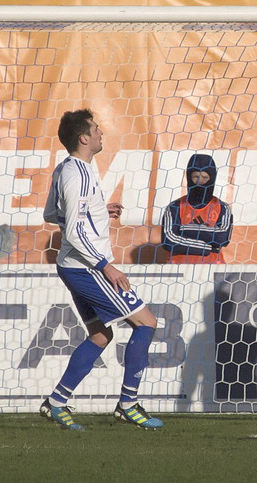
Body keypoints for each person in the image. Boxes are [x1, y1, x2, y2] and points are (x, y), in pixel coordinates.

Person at [40, 108, 162, 430]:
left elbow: (52, 213)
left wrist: (97, 209)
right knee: (146, 322)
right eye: (96, 129)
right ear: (84, 137)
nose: (100, 133)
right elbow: (73, 231)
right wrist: (106, 266)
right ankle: (128, 404)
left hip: (73, 265)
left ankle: (56, 402)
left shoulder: (68, 168)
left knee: (100, 335)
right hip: (87, 267)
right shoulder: (77, 174)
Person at [161, 153, 233, 264]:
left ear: (212, 178)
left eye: (205, 177)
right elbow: (168, 240)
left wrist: (184, 229)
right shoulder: (175, 206)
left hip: (213, 268)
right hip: (178, 268)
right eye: (195, 176)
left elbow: (222, 238)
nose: (200, 181)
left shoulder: (223, 207)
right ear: (189, 177)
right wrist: (206, 247)